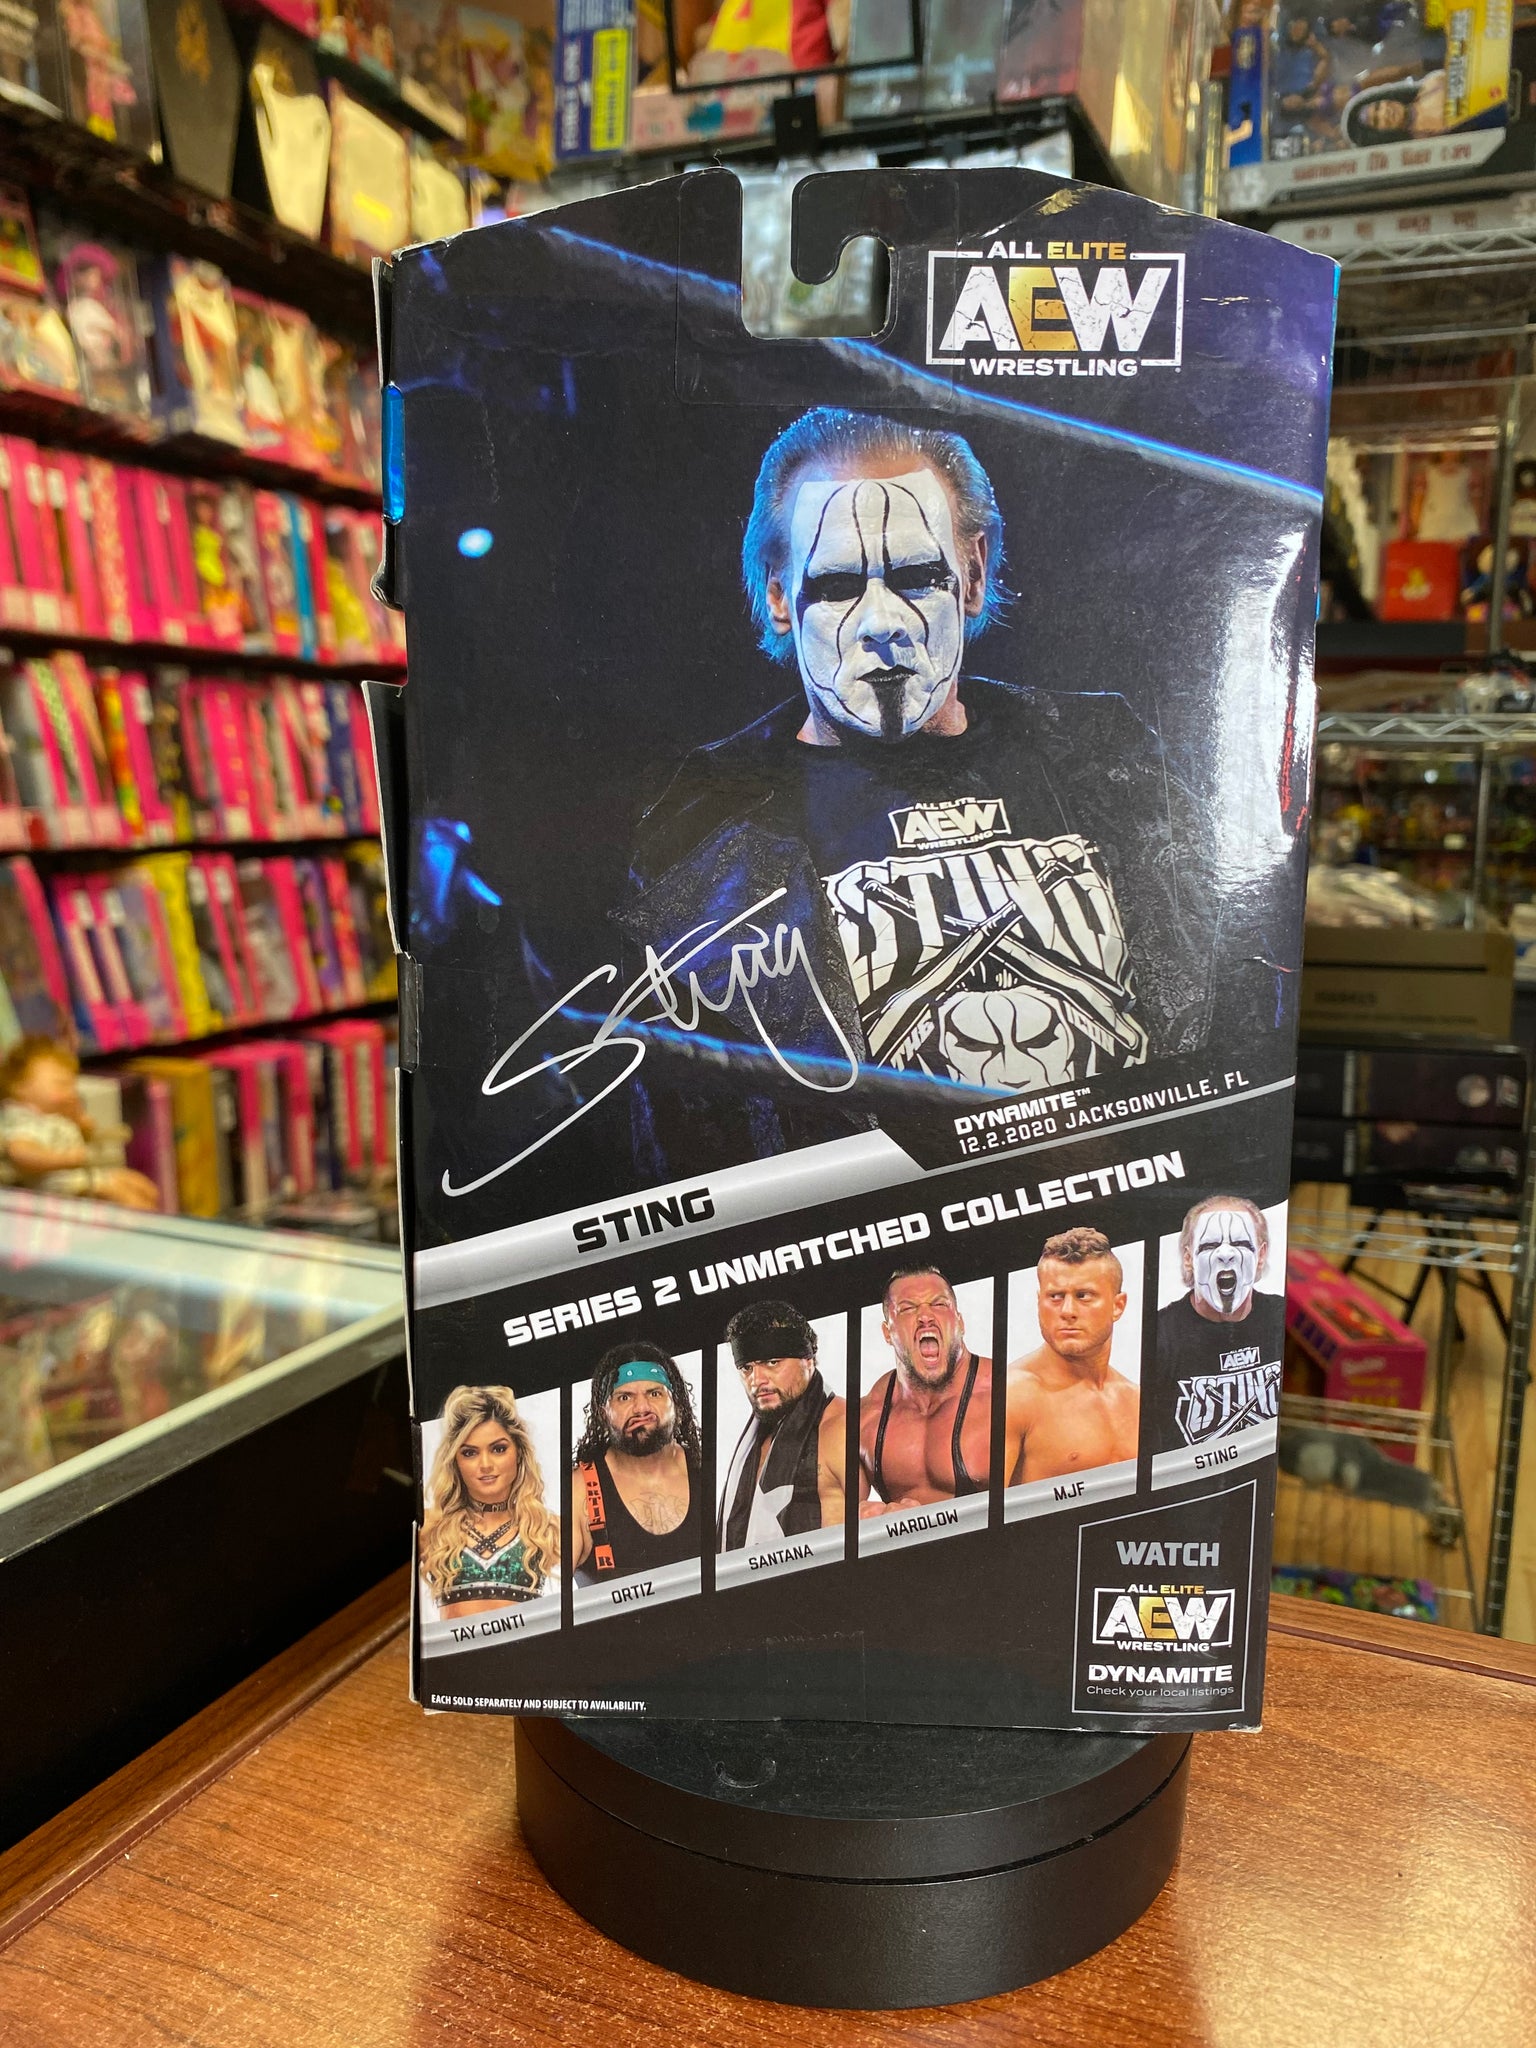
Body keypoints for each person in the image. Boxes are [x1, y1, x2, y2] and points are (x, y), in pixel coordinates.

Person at [622, 406, 1218, 1177]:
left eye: (914, 577)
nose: (883, 623)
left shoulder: (1106, 754)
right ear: (778, 596)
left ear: (973, 573)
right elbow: (684, 1143)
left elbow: (1229, 995)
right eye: (838, 585)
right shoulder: (703, 827)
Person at [820, 1264, 989, 1518]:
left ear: (960, 1322)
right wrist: (862, 1518)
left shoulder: (1008, 1396)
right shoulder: (864, 1421)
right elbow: (832, 1521)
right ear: (887, 1333)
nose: (925, 1317)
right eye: (908, 1309)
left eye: (939, 1304)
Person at [1004, 1227, 1139, 1485]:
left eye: (1083, 1296)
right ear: (1039, 1301)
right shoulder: (1013, 1395)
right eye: (1055, 1296)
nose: (1067, 1311)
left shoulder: (1135, 1400)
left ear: (1118, 1306)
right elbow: (980, 1509)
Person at [1151, 1195, 1282, 1452]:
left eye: (1241, 1243)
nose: (1226, 1254)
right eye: (1210, 1245)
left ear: (1261, 1255)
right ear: (1188, 1258)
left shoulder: (1280, 1317)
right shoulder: (1159, 1334)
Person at [418, 1385, 560, 1616]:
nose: (485, 1465)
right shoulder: (431, 1528)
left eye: (498, 1449)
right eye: (470, 1453)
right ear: (455, 1461)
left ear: (519, 1453)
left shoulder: (547, 1530)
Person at [570, 1343, 703, 1585]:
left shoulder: (705, 1468)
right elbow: (544, 1593)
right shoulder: (580, 1489)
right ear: (603, 1412)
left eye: (654, 1394)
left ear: (676, 1402)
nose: (641, 1408)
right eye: (624, 1397)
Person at [717, 1298, 842, 1550]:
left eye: (772, 1362)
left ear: (808, 1360)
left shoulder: (841, 1426)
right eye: (746, 1368)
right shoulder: (755, 1438)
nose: (757, 1380)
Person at [0, 1035, 159, 1209]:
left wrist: (81, 1124)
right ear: (20, 1087)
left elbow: (82, 1139)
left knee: (144, 1187)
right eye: (61, 1084)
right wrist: (66, 1159)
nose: (70, 1092)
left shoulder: (54, 1116)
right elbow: (20, 1153)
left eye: (71, 1085)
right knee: (129, 1200)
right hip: (59, 1187)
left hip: (81, 1178)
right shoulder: (23, 1119)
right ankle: (141, 1224)